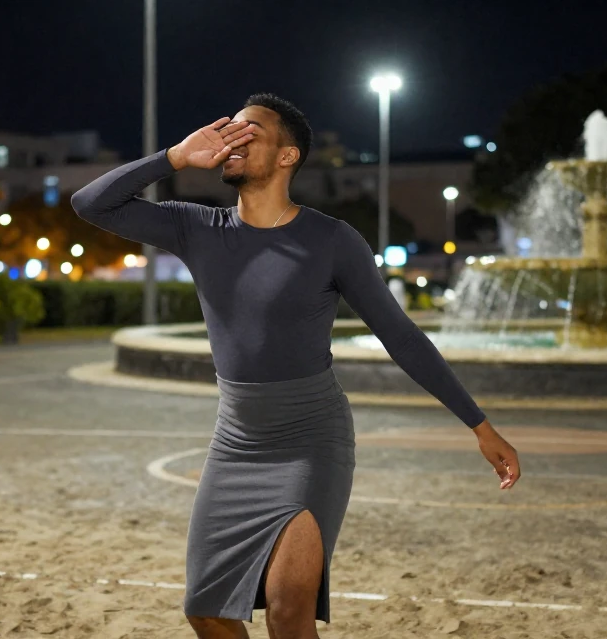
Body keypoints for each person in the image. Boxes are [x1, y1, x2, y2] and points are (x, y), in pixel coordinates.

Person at [72, 93, 520, 639]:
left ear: (287, 156)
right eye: (228, 129)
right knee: (206, 609)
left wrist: (479, 424)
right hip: (236, 441)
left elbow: (400, 335)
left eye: (249, 132)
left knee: (288, 609)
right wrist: (174, 157)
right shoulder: (197, 228)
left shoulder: (331, 241)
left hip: (311, 439)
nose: (232, 139)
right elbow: (92, 203)